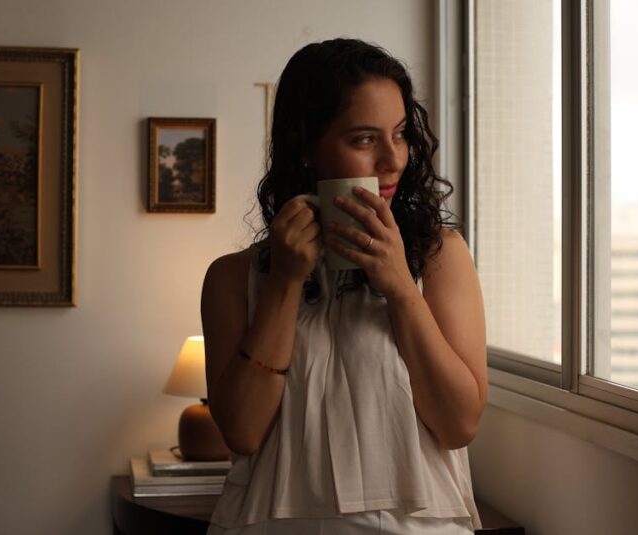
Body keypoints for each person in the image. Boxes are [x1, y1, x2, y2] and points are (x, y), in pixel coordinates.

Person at [201, 38, 487, 534]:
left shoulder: (441, 257)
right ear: (306, 146)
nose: (392, 159)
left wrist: (400, 286)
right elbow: (243, 432)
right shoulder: (232, 277)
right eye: (363, 139)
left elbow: (460, 425)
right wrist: (285, 281)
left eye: (399, 134)